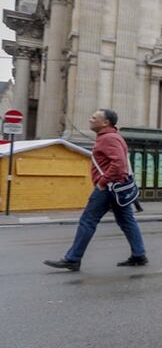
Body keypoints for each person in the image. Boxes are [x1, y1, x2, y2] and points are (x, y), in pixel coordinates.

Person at [43, 109, 147, 272]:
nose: (90, 119)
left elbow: (119, 164)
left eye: (94, 117)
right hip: (117, 187)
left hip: (108, 188)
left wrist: (102, 183)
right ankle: (139, 255)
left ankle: (73, 259)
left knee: (88, 221)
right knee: (127, 221)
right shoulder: (113, 137)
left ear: (105, 122)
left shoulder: (108, 139)